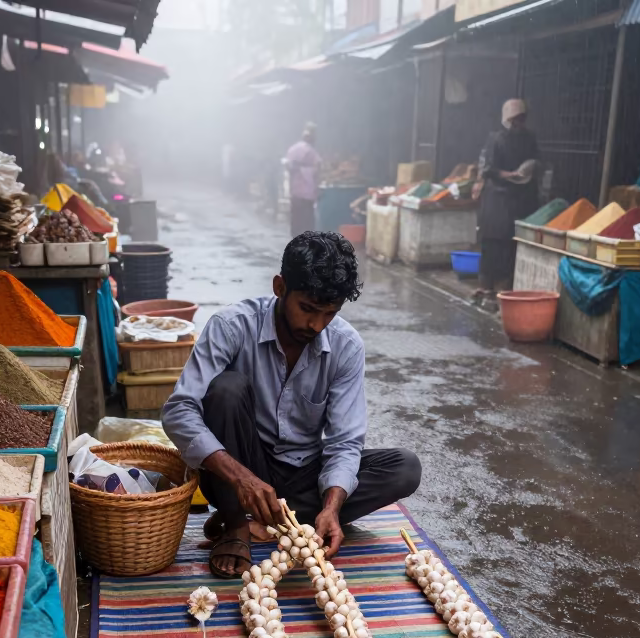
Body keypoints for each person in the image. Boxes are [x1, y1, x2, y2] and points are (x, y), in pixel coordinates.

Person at [161, 231, 422, 578]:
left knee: (404, 467)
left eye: (329, 314)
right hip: (242, 463)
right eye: (308, 309)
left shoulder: (345, 346)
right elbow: (179, 411)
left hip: (304, 472)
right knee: (226, 389)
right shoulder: (232, 326)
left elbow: (345, 441)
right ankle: (237, 523)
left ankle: (272, 519)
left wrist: (333, 505)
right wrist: (242, 479)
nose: (315, 325)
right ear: (280, 286)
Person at [476, 99, 539, 297]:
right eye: (514, 120)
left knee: (510, 245)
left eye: (521, 119)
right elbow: (488, 169)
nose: (518, 124)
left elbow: (536, 159)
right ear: (507, 120)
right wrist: (509, 175)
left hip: (520, 198)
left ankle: (505, 287)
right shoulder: (496, 139)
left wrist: (531, 168)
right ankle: (486, 287)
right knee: (492, 244)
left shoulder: (529, 138)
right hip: (497, 200)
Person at [284, 124, 321, 237]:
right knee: (308, 221)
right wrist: (317, 189)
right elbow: (317, 170)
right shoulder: (311, 152)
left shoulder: (293, 149)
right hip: (308, 193)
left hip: (295, 192)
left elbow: (288, 166)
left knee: (296, 220)